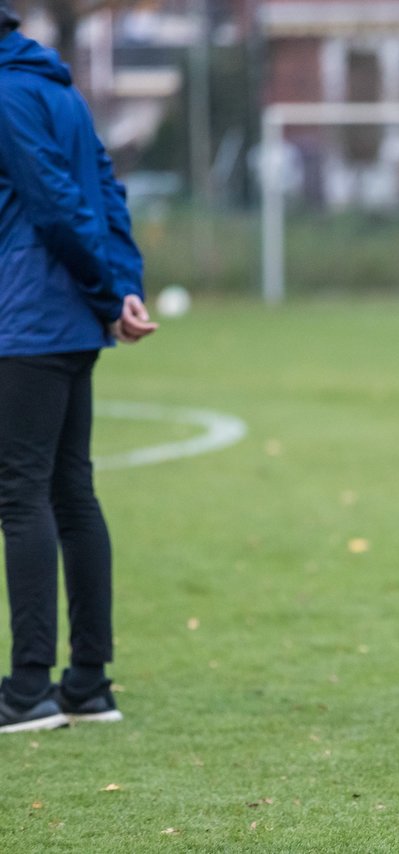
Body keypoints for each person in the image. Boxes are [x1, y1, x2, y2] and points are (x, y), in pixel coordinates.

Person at [0, 4, 156, 734]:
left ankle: (28, 689)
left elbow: (59, 205)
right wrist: (123, 289)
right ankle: (87, 684)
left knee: (22, 494)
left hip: (28, 321)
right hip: (69, 323)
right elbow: (107, 192)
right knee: (70, 491)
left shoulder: (8, 92)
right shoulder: (60, 91)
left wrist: (107, 290)